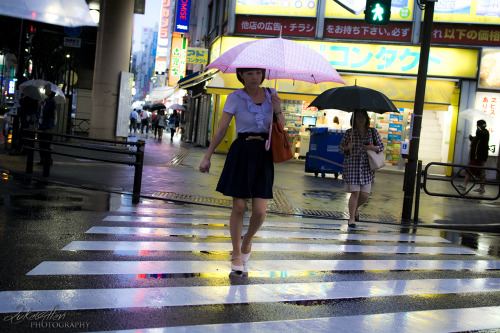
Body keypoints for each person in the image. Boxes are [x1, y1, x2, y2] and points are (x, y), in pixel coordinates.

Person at [199, 68, 284, 274]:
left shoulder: (272, 94)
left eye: (258, 73)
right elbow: (221, 129)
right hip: (241, 151)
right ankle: (236, 252)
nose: (255, 77)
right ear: (241, 76)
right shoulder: (234, 97)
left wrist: (278, 109)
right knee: (238, 207)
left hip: (264, 154)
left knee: (260, 211)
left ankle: (247, 239)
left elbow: (282, 127)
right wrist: (207, 156)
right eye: (249, 73)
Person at [338, 110, 384, 228]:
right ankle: (351, 218)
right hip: (352, 166)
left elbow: (381, 147)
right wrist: (348, 147)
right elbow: (340, 148)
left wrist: (370, 147)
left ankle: (355, 209)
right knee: (355, 193)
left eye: (363, 116)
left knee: (364, 195)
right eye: (358, 117)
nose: (360, 119)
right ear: (354, 119)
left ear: (367, 118)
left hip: (366, 167)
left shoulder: (372, 132)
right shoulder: (350, 133)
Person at [458, 119, 490, 194]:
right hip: (476, 157)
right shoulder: (480, 134)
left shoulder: (484, 132)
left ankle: (469, 185)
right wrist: (471, 138)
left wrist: (481, 127)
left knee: (475, 171)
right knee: (474, 171)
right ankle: (469, 185)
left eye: (477, 125)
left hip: (480, 157)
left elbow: (479, 133)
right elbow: (476, 139)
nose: (477, 126)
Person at [37, 84, 57, 166]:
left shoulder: (52, 101)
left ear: (51, 91)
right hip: (42, 124)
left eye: (47, 89)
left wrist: (41, 106)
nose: (45, 90)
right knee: (41, 144)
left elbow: (46, 111)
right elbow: (40, 113)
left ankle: (47, 160)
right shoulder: (46, 100)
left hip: (47, 126)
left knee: (45, 144)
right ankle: (43, 160)